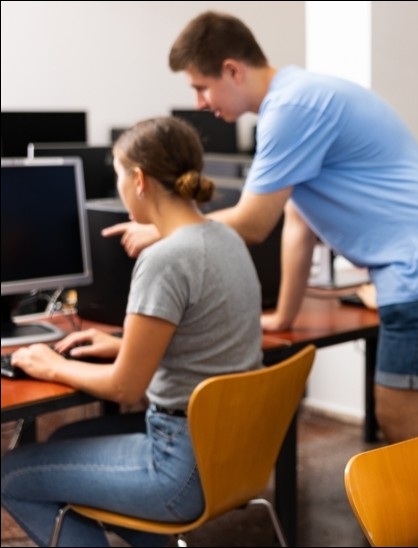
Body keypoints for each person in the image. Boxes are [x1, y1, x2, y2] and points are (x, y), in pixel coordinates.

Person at [104, 11, 418, 443]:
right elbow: (296, 226)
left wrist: (165, 228)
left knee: (402, 416)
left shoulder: (290, 109)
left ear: (231, 69)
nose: (200, 104)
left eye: (201, 87)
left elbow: (252, 223)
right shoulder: (302, 96)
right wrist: (284, 315)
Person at [1, 117, 264, 547]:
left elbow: (125, 387)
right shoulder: (225, 238)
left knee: (13, 476)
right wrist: (123, 343)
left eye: (118, 175)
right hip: (230, 454)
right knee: (66, 438)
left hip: (177, 469)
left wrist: (50, 364)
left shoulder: (165, 258)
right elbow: (204, 338)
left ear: (139, 179)